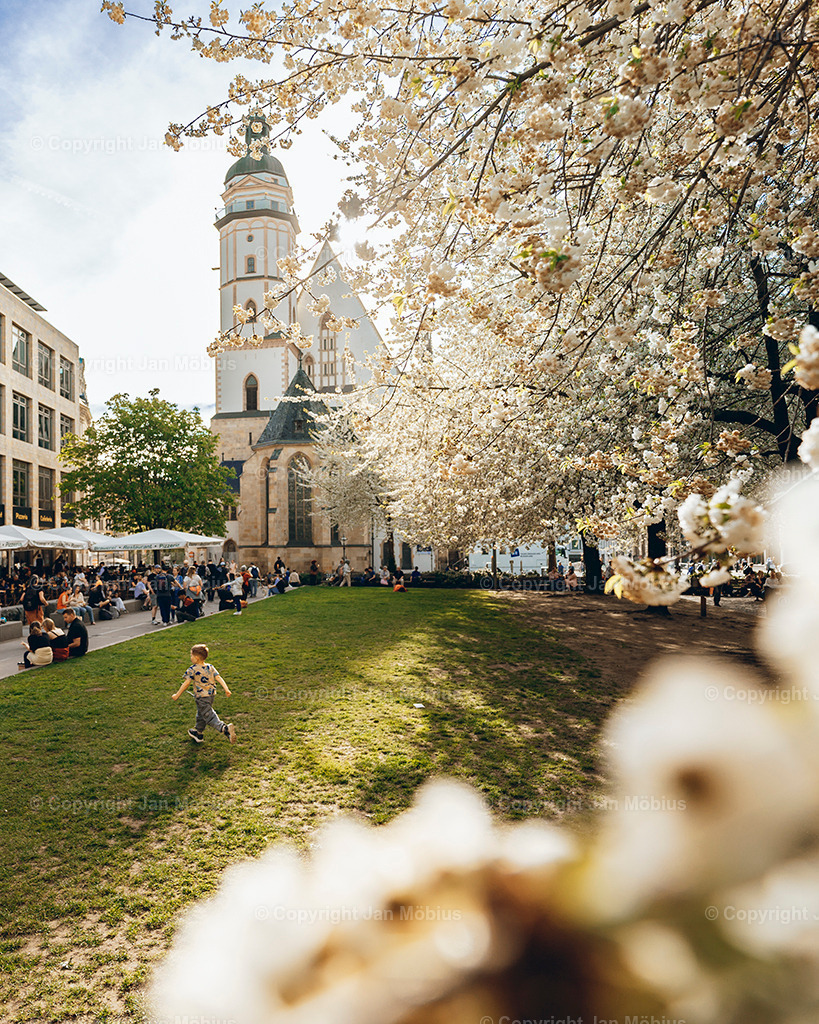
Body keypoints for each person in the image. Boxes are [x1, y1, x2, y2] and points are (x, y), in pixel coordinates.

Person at [171, 644, 236, 745]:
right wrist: (226, 689)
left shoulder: (193, 669)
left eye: (191, 655)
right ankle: (198, 732)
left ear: (196, 658)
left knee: (208, 715)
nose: (190, 657)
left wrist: (177, 694)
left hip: (202, 697)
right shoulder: (210, 667)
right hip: (211, 695)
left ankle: (224, 728)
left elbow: (187, 683)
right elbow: (218, 677)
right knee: (202, 713)